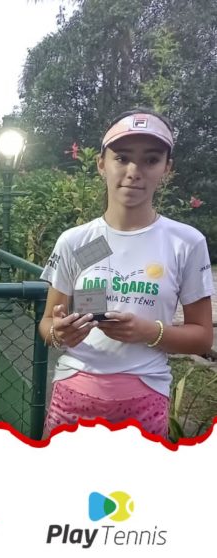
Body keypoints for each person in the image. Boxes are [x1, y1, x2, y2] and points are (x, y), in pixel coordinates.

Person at [39, 108, 214, 438]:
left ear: (167, 168)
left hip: (145, 401)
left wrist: (148, 332)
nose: (134, 171)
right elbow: (47, 324)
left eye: (151, 160)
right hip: (73, 397)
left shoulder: (185, 243)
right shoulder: (77, 242)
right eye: (121, 158)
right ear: (101, 164)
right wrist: (61, 333)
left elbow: (203, 336)